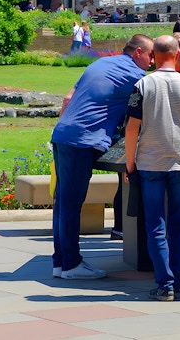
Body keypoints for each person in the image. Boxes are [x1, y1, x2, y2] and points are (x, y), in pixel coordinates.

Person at [50, 34, 154, 280]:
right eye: (150, 55)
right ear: (138, 52)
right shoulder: (136, 76)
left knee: (63, 204)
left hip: (63, 134)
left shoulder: (99, 63)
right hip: (82, 140)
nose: (152, 62)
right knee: (72, 205)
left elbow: (68, 98)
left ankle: (60, 262)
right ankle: (72, 265)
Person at [124, 35, 180, 301]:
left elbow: (132, 128)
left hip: (150, 163)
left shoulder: (142, 85)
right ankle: (177, 280)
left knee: (155, 226)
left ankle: (165, 284)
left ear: (155, 55)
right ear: (175, 54)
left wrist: (130, 163)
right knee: (179, 226)